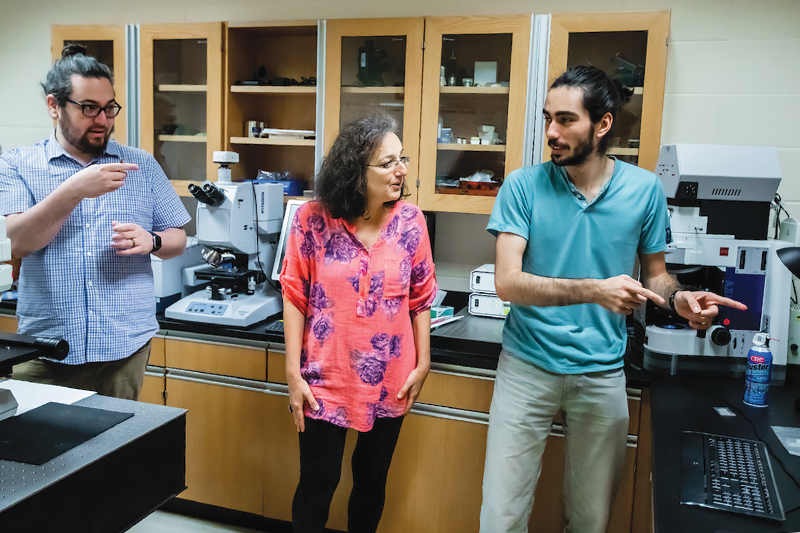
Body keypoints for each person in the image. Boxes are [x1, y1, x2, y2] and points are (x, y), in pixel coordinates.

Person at [479, 65, 746, 533]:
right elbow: (508, 282)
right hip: (526, 368)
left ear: (602, 124)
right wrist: (592, 289)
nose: (551, 132)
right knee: (501, 518)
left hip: (602, 373)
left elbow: (656, 276)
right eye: (547, 119)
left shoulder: (643, 190)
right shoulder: (522, 185)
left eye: (565, 120)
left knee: (591, 520)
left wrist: (679, 301)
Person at [0, 44, 190, 401]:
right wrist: (74, 190)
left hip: (124, 350)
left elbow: (178, 238)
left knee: (118, 454)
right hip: (47, 350)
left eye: (109, 108)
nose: (102, 120)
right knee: (43, 453)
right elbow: (18, 243)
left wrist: (154, 241)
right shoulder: (17, 165)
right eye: (89, 108)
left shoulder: (141, 165)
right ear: (54, 106)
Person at [280, 114, 437, 533]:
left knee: (371, 481)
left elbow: (421, 297)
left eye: (401, 159)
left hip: (392, 376)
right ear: (355, 170)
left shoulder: (411, 221)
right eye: (387, 163)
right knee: (318, 482)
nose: (401, 170)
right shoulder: (312, 218)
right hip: (324, 376)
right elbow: (294, 292)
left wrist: (424, 364)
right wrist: (293, 374)